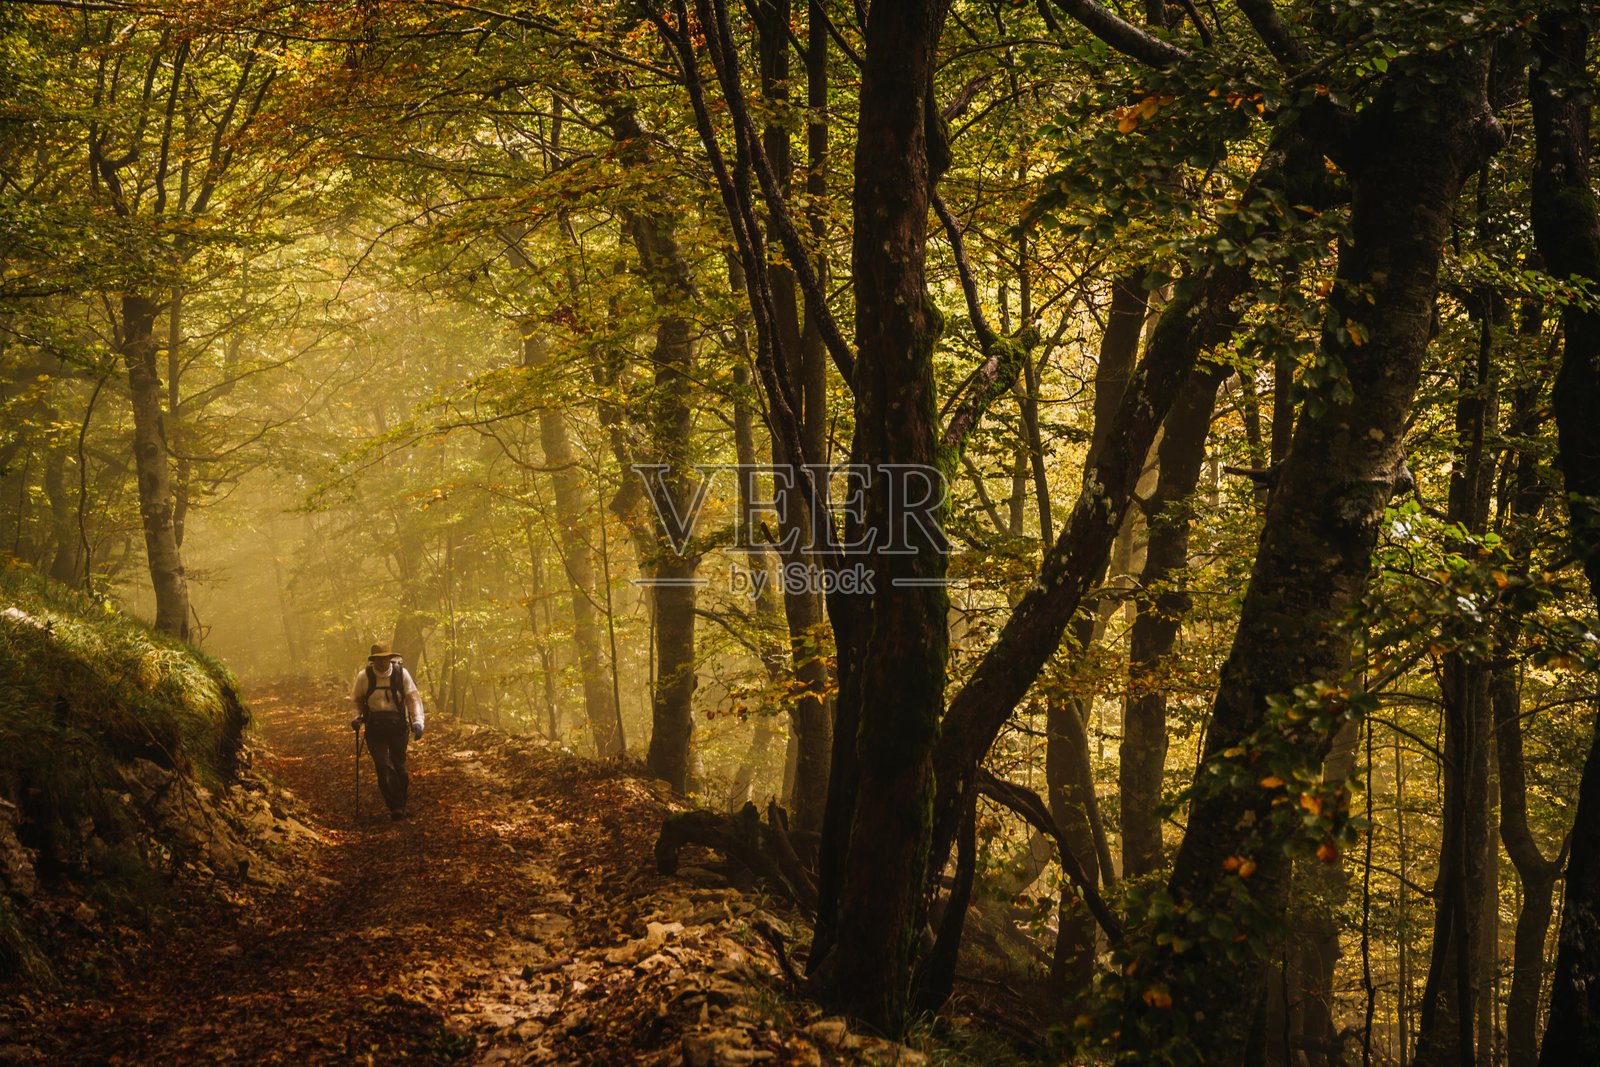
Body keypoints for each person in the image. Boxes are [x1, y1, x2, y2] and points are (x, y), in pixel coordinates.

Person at [351, 642, 425, 820]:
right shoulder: (364, 677)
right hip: (375, 729)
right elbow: (356, 701)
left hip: (398, 727)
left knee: (399, 767)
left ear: (391, 658)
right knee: (383, 765)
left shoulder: (401, 674)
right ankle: (396, 807)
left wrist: (417, 722)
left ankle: (401, 801)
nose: (383, 663)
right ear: (373, 660)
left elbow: (412, 699)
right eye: (379, 659)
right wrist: (355, 717)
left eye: (386, 658)